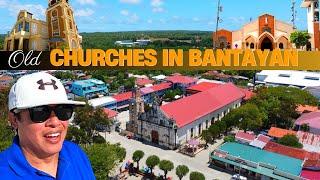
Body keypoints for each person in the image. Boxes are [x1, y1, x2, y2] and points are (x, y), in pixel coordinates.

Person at [0, 72, 95, 179]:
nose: (55, 122)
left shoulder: (75, 153)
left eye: (63, 110)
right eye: (40, 112)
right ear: (14, 120)